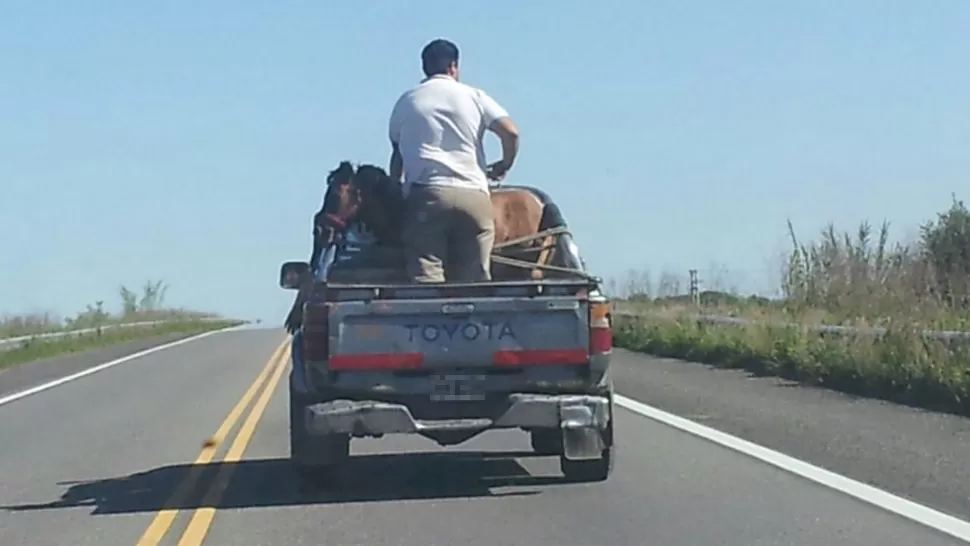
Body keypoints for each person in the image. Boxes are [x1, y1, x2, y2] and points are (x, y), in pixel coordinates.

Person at [387, 38, 519, 283]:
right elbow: (511, 132)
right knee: (476, 278)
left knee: (427, 277)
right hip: (474, 195)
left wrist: (396, 192)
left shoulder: (406, 102)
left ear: (424, 67)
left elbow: (398, 158)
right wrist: (504, 164)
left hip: (427, 195)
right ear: (453, 66)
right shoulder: (475, 96)